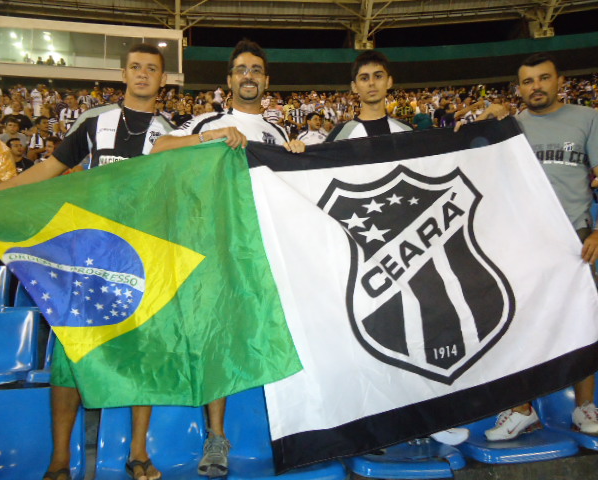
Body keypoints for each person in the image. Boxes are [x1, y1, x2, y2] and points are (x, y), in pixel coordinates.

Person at [0, 43, 174, 480]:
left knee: (140, 354)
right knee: (70, 355)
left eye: (151, 69)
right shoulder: (95, 125)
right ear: (123, 73)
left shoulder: (170, 132)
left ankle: (138, 454)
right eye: (135, 67)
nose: (143, 74)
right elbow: (45, 171)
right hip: (88, 255)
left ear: (162, 80)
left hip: (142, 256)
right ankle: (59, 461)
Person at [152, 39, 305, 477]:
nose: (249, 76)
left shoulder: (279, 133)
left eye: (256, 69)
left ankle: (289, 431)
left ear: (266, 80)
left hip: (268, 251)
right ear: (229, 80)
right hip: (217, 247)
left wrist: (296, 156)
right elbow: (159, 149)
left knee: (279, 336)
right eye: (241, 69)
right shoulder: (209, 119)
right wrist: (210, 136)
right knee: (216, 338)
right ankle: (216, 438)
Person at [324, 50, 468, 446]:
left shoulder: (408, 133)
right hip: (363, 252)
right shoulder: (339, 136)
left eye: (378, 76)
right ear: (354, 87)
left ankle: (429, 417)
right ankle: (373, 424)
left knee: (420, 333)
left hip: (411, 250)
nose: (371, 83)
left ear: (389, 82)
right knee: (371, 336)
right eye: (363, 77)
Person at [476, 52, 598, 441]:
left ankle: (584, 408)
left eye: (543, 78)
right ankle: (522, 409)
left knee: (581, 325)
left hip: (576, 242)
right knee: (522, 327)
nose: (536, 87)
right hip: (526, 242)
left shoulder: (587, 118)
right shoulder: (511, 127)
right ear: (519, 88)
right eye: (528, 81)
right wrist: (483, 121)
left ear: (559, 80)